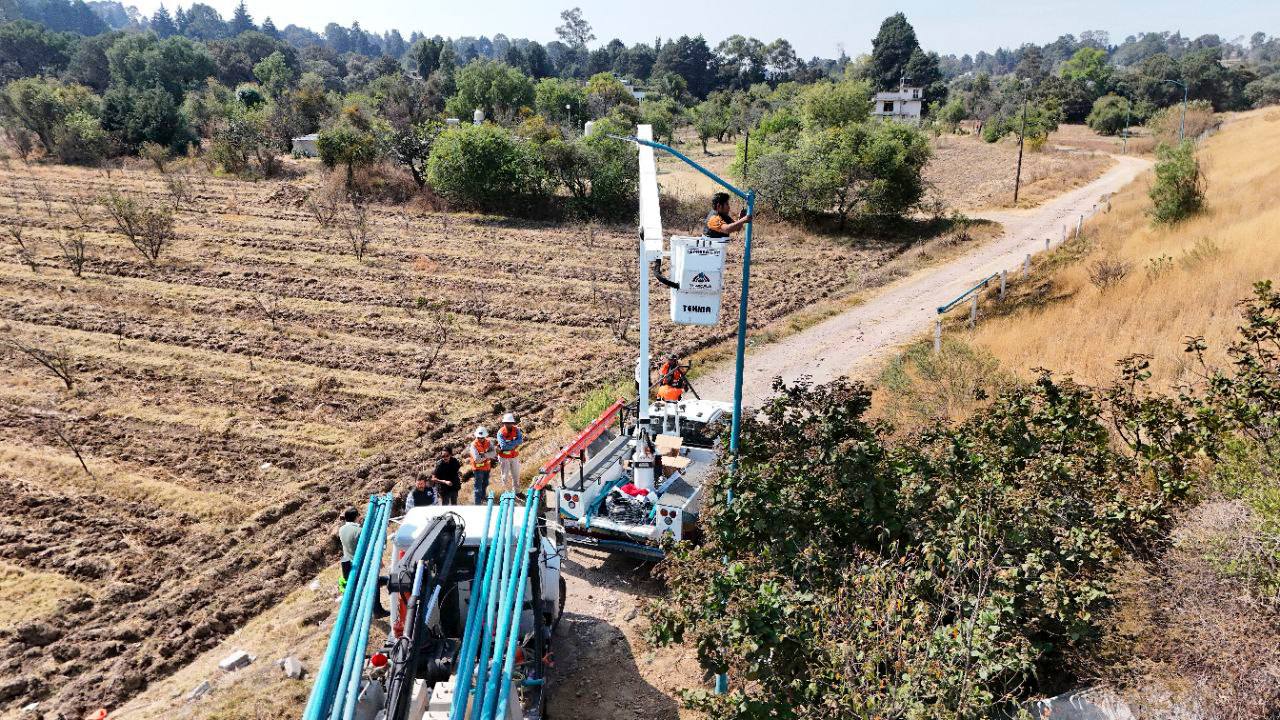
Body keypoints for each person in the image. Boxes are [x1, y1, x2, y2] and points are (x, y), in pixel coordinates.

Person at [335, 507, 389, 617]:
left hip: (349, 565)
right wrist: (378, 561)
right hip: (361, 564)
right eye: (359, 515)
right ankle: (377, 611)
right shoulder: (360, 532)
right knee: (373, 583)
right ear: (356, 517)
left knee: (369, 583)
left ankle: (388, 583)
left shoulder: (341, 529)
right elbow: (369, 547)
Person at [496, 413, 524, 491]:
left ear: (512, 423)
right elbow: (503, 446)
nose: (508, 424)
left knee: (516, 475)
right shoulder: (500, 432)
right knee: (505, 476)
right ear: (504, 423)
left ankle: (517, 492)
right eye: (507, 423)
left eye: (510, 423)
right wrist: (514, 444)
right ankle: (506, 492)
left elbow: (520, 441)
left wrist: (509, 443)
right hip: (504, 458)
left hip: (514, 456)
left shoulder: (517, 430)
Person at [469, 426, 497, 504]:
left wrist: (483, 455)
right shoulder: (473, 445)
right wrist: (488, 455)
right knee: (478, 487)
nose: (480, 439)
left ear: (485, 436)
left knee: (485, 483)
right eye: (479, 437)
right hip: (478, 469)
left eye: (482, 437)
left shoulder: (488, 442)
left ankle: (483, 498)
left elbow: (494, 453)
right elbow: (477, 460)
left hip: (487, 467)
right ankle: (477, 503)